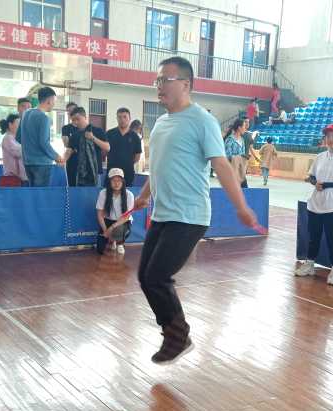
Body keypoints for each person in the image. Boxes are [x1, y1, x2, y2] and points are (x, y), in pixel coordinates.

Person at [132, 56, 258, 363]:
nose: (159, 85)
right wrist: (144, 195)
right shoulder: (161, 123)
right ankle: (175, 333)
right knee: (145, 276)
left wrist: (241, 206)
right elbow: (158, 167)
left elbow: (222, 165)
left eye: (165, 79)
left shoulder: (203, 121)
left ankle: (177, 336)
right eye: (157, 80)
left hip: (189, 215)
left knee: (157, 276)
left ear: (185, 84)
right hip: (163, 213)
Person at [295, 124, 333, 286]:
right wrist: (315, 183)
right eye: (328, 136)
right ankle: (310, 265)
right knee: (313, 237)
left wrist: (326, 185)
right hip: (315, 204)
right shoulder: (320, 156)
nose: (330, 139)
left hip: (332, 206)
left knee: (332, 239)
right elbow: (312, 176)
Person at [16, 86, 64, 187]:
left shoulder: (26, 114)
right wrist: (57, 157)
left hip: (27, 162)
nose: (54, 104)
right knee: (41, 194)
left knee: (33, 193)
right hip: (42, 164)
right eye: (54, 101)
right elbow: (44, 143)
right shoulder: (44, 118)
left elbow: (19, 138)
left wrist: (30, 149)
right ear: (49, 100)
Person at [63, 107, 109, 187]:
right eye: (73, 120)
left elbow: (107, 147)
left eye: (78, 119)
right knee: (77, 194)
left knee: (94, 194)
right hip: (79, 172)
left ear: (85, 117)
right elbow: (69, 151)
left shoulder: (98, 131)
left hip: (95, 171)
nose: (76, 122)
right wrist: (62, 160)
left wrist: (93, 138)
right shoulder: (75, 135)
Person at [96, 168, 134, 255]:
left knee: (118, 229)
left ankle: (120, 243)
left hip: (122, 222)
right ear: (109, 182)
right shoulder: (103, 193)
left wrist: (111, 228)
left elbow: (127, 216)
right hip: (108, 220)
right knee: (100, 249)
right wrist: (105, 230)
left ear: (123, 182)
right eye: (114, 180)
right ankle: (112, 240)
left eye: (119, 180)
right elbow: (99, 214)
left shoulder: (129, 195)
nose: (116, 183)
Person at [106, 107, 142, 187]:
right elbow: (104, 151)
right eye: (119, 117)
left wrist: (127, 163)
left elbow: (137, 157)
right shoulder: (109, 134)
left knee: (127, 193)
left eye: (125, 117)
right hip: (112, 173)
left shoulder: (135, 137)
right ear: (117, 118)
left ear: (129, 119)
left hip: (128, 173)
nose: (122, 119)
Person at [0, 113, 27, 186]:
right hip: (12, 178)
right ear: (10, 125)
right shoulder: (8, 138)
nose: (20, 126)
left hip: (18, 178)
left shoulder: (14, 138)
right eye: (18, 124)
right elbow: (18, 152)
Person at [224, 119, 247, 188]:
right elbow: (227, 155)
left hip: (240, 170)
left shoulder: (242, 140)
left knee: (245, 189)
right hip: (232, 170)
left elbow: (243, 153)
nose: (245, 128)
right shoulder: (230, 139)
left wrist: (244, 157)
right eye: (244, 126)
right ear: (239, 128)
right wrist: (238, 157)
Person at [61, 102, 79, 185]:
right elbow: (67, 144)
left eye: (72, 110)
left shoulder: (85, 128)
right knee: (72, 185)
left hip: (84, 164)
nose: (70, 113)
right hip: (71, 162)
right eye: (68, 111)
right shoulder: (66, 128)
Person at [242, 118, 260, 185]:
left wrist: (256, 157)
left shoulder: (248, 135)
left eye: (248, 122)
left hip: (245, 158)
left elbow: (251, 148)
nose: (247, 124)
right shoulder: (237, 134)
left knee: (242, 175)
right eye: (245, 122)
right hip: (236, 158)